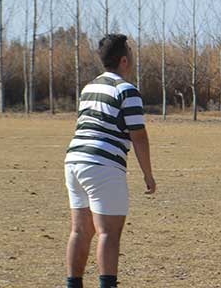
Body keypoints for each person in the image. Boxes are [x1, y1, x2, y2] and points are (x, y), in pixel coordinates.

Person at [65, 34, 156, 288]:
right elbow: (138, 135)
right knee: (108, 232)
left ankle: (73, 284)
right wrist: (148, 175)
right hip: (102, 165)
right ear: (124, 60)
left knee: (79, 231)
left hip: (74, 161)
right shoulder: (126, 90)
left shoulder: (89, 87)